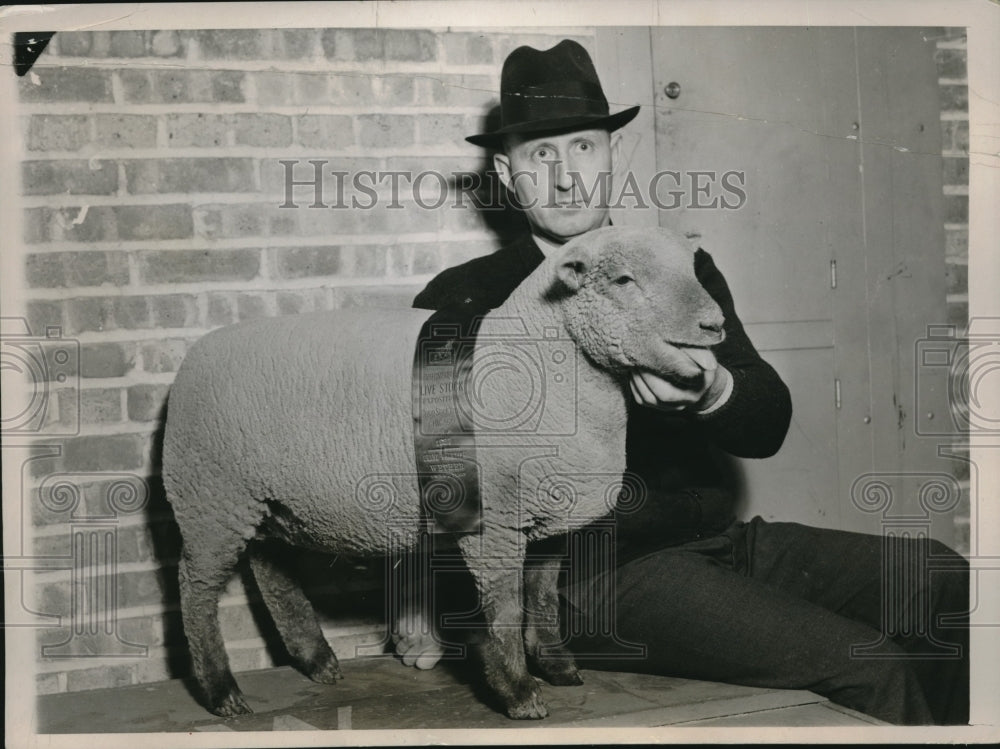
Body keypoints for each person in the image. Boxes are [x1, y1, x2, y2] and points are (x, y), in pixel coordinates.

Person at [397, 39, 969, 726]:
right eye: (539, 154)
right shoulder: (462, 298)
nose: (566, 174)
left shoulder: (673, 262)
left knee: (942, 579)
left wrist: (711, 390)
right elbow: (436, 473)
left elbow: (768, 418)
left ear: (613, 154)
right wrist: (424, 601)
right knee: (870, 662)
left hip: (720, 541)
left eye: (582, 147)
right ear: (505, 172)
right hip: (591, 580)